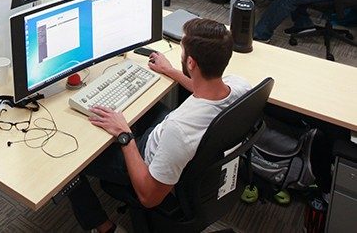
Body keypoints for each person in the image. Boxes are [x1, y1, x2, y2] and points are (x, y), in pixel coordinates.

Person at [67, 18, 250, 233]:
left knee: (71, 161)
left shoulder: (179, 130)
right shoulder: (240, 86)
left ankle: (104, 227)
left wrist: (125, 136)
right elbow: (204, 87)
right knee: (143, 104)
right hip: (177, 145)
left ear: (191, 62)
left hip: (147, 163)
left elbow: (149, 197)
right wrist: (170, 70)